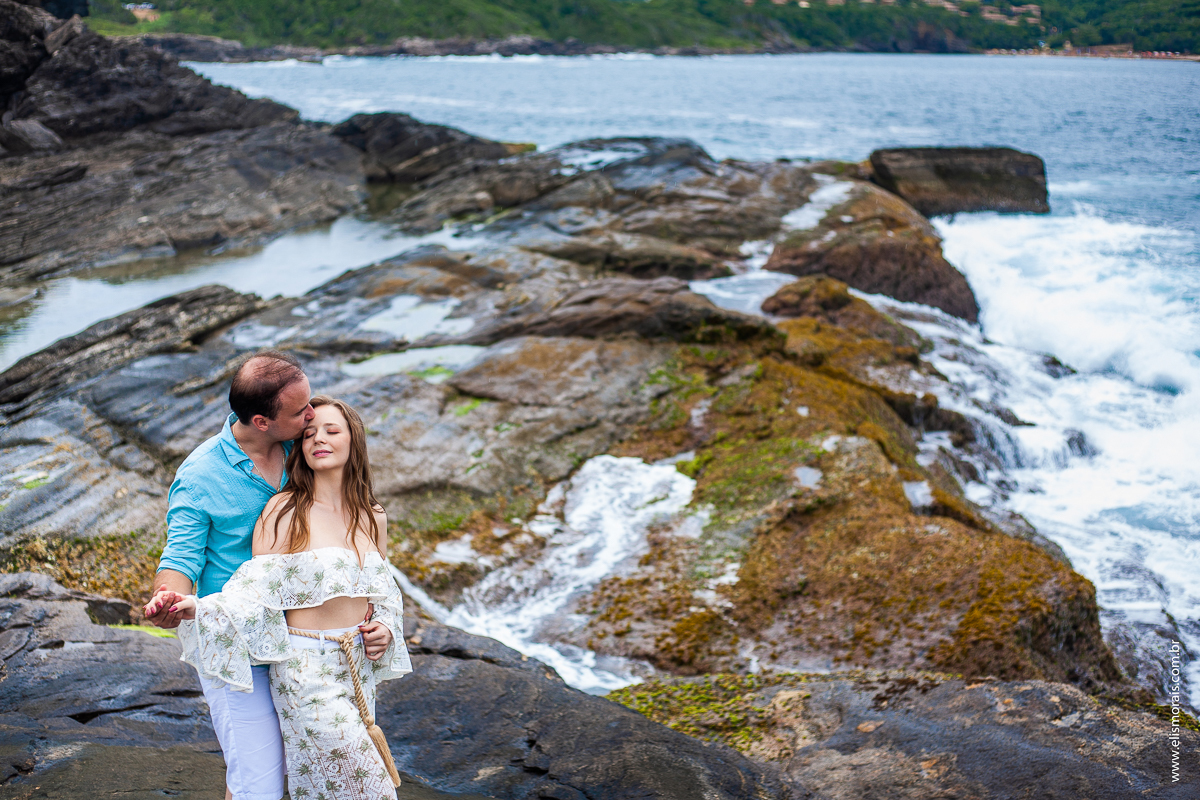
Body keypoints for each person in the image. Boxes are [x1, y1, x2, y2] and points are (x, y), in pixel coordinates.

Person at [146, 397, 410, 800]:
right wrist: (196, 606)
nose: (318, 438)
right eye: (308, 433)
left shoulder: (372, 514)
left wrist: (386, 628)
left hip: (355, 668)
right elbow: (253, 593)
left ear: (354, 441)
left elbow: (383, 590)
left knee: (331, 789)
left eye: (331, 430)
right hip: (305, 669)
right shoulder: (284, 511)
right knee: (371, 790)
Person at [145, 350, 322, 800]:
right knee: (257, 786)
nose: (312, 414)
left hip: (305, 637)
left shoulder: (304, 444)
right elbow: (181, 559)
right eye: (301, 410)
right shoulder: (200, 476)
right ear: (262, 421)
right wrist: (167, 600)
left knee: (289, 770)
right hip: (236, 644)